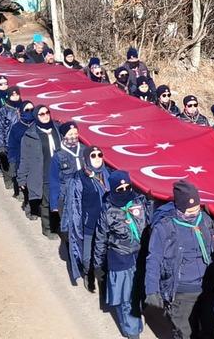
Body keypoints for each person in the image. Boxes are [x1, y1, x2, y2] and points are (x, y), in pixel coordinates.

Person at [145, 180, 214, 339]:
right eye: (190, 210)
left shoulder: (205, 220)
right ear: (180, 207)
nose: (195, 213)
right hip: (182, 291)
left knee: (210, 329)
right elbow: (154, 259)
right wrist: (152, 290)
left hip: (207, 287)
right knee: (184, 333)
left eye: (197, 208)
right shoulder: (165, 227)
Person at [93, 171, 149, 339]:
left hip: (139, 257)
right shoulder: (108, 210)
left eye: (127, 187)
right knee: (126, 299)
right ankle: (132, 332)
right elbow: (101, 238)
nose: (125, 190)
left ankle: (134, 324)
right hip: (120, 259)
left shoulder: (139, 202)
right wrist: (98, 264)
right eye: (120, 188)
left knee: (137, 294)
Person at [62, 145, 111, 290]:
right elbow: (72, 204)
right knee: (87, 257)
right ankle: (88, 275)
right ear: (87, 158)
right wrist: (68, 226)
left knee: (103, 254)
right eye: (93, 155)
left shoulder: (107, 174)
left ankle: (103, 281)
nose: (97, 158)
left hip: (106, 225)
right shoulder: (79, 178)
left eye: (99, 155)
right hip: (89, 224)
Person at [17, 105, 62, 238]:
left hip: (60, 172)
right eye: (41, 114)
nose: (46, 115)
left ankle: (60, 226)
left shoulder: (57, 129)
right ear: (36, 116)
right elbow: (24, 158)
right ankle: (48, 229)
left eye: (47, 112)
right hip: (44, 173)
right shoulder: (30, 135)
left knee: (60, 200)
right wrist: (21, 178)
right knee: (47, 203)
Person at [48, 122, 83, 225]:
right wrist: (54, 203)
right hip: (66, 195)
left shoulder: (84, 150)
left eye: (75, 134)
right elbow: (54, 180)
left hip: (83, 194)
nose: (74, 136)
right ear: (64, 136)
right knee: (68, 225)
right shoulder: (58, 155)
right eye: (70, 134)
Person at [7, 101, 36, 202]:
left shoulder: (37, 125)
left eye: (32, 110)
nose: (30, 112)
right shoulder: (16, 127)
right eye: (27, 110)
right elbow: (12, 145)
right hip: (22, 160)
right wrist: (12, 160)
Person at [0, 87, 23, 191]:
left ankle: (22, 188)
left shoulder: (24, 108)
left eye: (17, 95)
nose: (15, 97)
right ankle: (16, 188)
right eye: (13, 95)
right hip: (10, 143)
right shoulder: (3, 110)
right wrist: (1, 145)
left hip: (23, 143)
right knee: (13, 167)